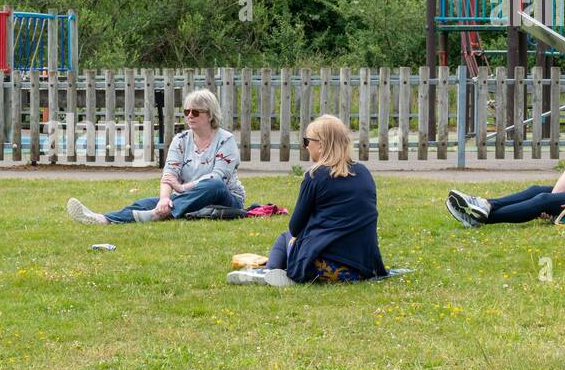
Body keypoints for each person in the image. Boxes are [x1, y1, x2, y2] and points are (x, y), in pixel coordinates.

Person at [446, 82, 565, 227]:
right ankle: (485, 204)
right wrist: (556, 198)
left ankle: (481, 218)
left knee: (544, 200)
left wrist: (556, 202)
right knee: (537, 191)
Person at [230, 114, 388, 286]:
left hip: (323, 267)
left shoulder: (315, 175)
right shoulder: (364, 172)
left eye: (307, 141)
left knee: (285, 237)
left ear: (320, 144)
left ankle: (269, 271)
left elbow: (295, 227)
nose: (305, 146)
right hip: (362, 267)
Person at [66, 89, 244, 224]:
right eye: (187, 111)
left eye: (195, 112)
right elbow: (169, 174)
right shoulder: (180, 140)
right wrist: (165, 198)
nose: (190, 116)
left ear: (210, 114)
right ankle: (102, 218)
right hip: (187, 197)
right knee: (147, 202)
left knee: (215, 184)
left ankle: (157, 214)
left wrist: (182, 189)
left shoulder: (225, 140)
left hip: (226, 199)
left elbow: (217, 176)